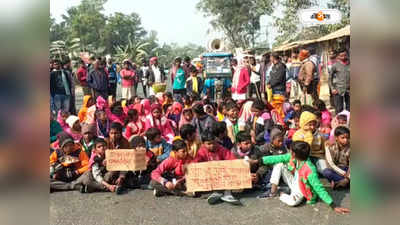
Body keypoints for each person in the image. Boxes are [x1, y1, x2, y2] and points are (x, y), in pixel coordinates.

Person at [251, 141, 350, 214]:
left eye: (291, 151)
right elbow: (276, 158)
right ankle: (273, 191)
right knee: (279, 164)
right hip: (295, 182)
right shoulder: (293, 157)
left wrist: (334, 206)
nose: (289, 152)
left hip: (303, 190)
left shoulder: (310, 170)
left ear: (294, 153)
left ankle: (281, 193)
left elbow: (319, 188)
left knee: (292, 203)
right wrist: (257, 161)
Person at [193, 132, 240, 205]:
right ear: (203, 144)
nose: (212, 145)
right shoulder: (201, 151)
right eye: (209, 144)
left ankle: (227, 193)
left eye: (214, 143)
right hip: (209, 175)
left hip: (223, 175)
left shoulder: (221, 149)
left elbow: (232, 159)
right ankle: (217, 193)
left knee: (230, 169)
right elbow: (196, 163)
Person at [257, 128, 287, 198]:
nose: (281, 143)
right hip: (268, 168)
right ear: (272, 140)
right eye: (279, 141)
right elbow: (260, 158)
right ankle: (267, 185)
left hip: (279, 169)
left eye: (282, 141)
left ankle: (272, 186)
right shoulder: (265, 147)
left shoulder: (283, 148)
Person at [329, 49, 350, 114]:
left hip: (349, 90)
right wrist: (333, 89)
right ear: (338, 56)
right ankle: (339, 123)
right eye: (341, 56)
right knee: (339, 109)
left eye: (345, 55)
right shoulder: (335, 66)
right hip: (338, 90)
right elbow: (330, 78)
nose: (343, 57)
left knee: (349, 108)